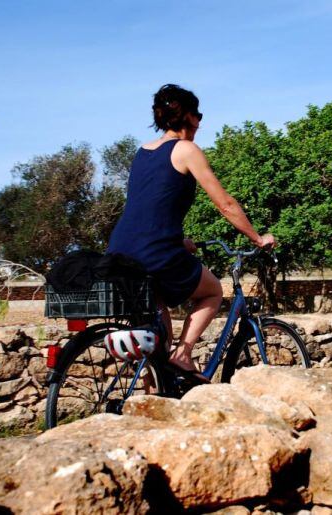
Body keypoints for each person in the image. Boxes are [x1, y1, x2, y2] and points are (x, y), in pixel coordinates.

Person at [107, 84, 274, 380]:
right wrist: (258, 238)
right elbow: (225, 204)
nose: (200, 121)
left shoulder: (142, 152)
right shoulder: (186, 150)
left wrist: (179, 241)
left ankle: (152, 398)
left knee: (158, 342)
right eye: (198, 114)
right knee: (213, 291)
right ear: (188, 117)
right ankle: (184, 356)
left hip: (122, 250)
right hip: (154, 253)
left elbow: (148, 206)